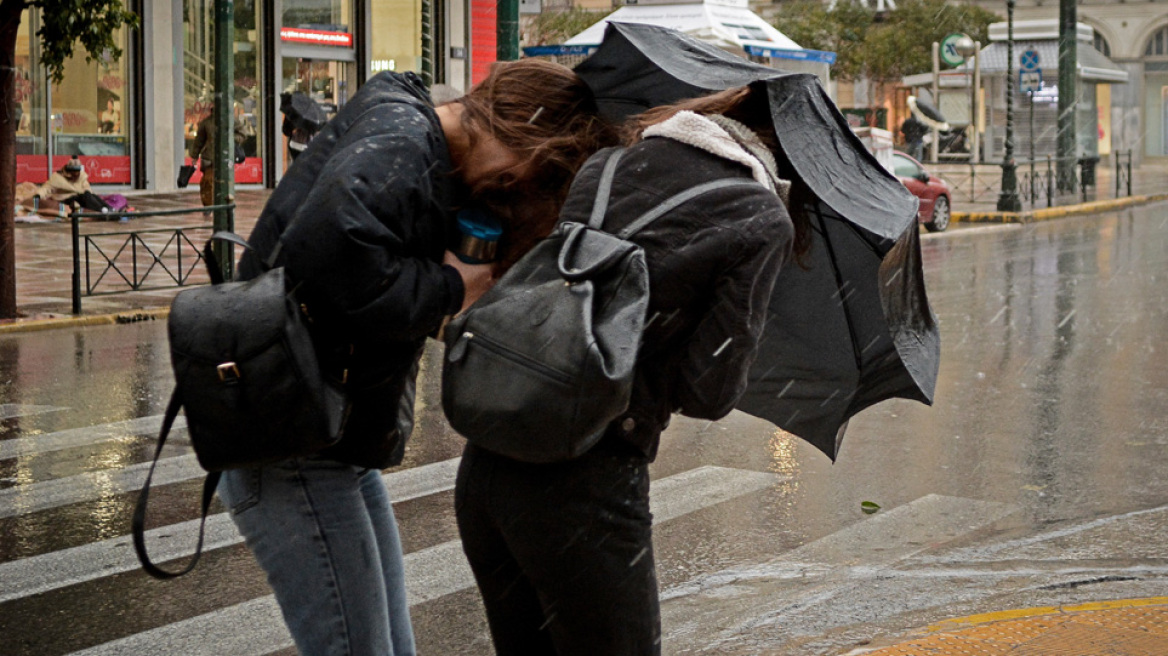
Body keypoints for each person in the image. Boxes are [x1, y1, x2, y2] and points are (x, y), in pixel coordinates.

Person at [214, 61, 613, 656]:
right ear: (516, 129)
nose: (513, 189)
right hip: (290, 439)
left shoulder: (413, 147)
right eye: (527, 174)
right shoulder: (404, 141)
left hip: (325, 433)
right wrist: (451, 289)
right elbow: (326, 259)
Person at [454, 85, 809, 655]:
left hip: (492, 458)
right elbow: (708, 393)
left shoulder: (609, 163)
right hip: (586, 479)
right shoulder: (759, 215)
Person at [189, 112, 249, 207]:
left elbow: (243, 133)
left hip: (225, 156)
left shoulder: (231, 120)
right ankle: (208, 205)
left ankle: (224, 205)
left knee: (224, 182)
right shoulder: (207, 122)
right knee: (208, 182)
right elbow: (199, 141)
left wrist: (230, 139)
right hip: (210, 157)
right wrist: (194, 156)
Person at [32, 156, 111, 214]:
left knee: (91, 195)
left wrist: (87, 191)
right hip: (66, 198)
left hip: (81, 195)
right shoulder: (57, 177)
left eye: (77, 172)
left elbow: (86, 187)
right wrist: (38, 195)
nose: (76, 175)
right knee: (84, 197)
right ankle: (101, 210)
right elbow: (46, 188)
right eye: (74, 172)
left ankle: (108, 208)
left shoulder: (81, 176)